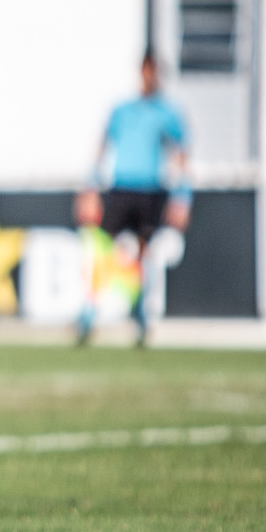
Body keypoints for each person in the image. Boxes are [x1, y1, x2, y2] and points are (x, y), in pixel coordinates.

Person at [76, 51, 190, 345]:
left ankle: (140, 312)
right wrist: (91, 185)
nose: (149, 77)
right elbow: (103, 145)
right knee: (102, 248)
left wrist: (182, 196)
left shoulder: (167, 112)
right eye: (145, 71)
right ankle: (89, 311)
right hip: (121, 187)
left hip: (150, 190)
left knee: (143, 254)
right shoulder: (122, 110)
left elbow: (181, 154)